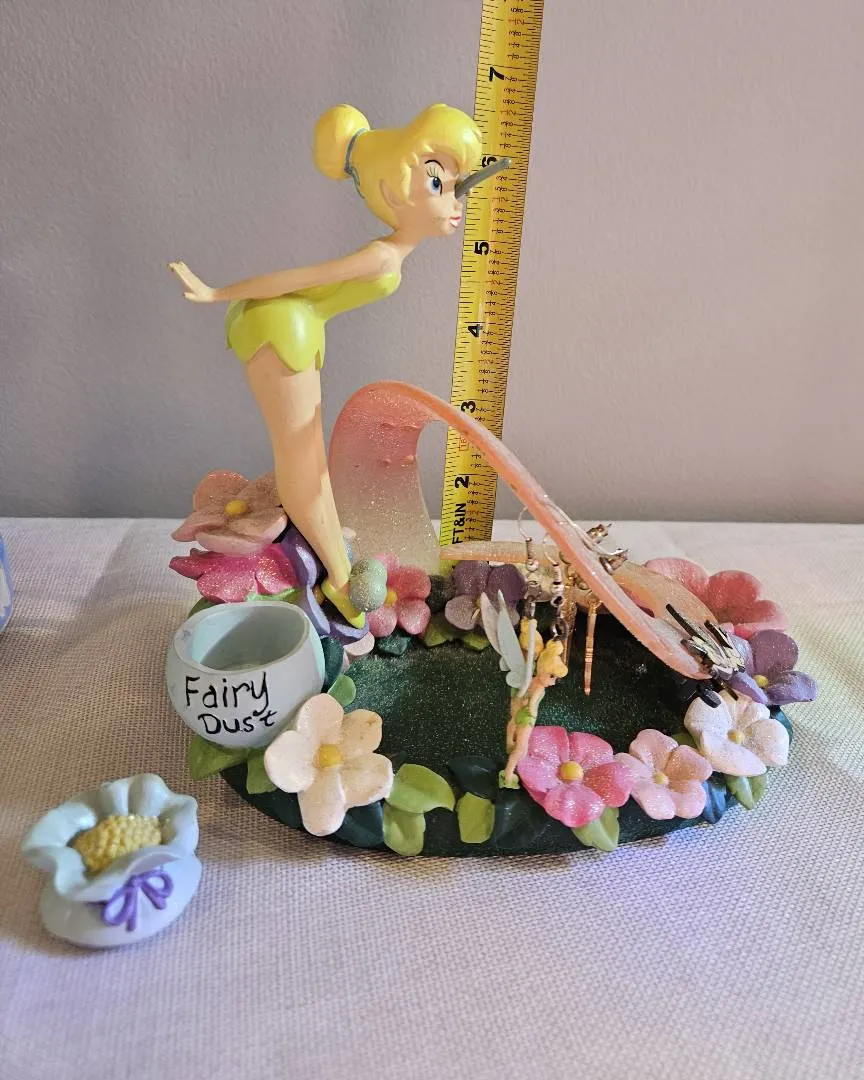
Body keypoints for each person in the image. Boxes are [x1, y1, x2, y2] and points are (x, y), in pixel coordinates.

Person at [170, 103, 482, 624]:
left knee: (310, 460)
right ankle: (339, 578)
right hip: (279, 327)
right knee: (303, 462)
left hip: (299, 328)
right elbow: (297, 278)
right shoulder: (383, 257)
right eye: (437, 183)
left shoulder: (392, 254)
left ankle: (336, 565)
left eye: (455, 185)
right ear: (393, 189)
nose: (455, 201)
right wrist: (218, 292)